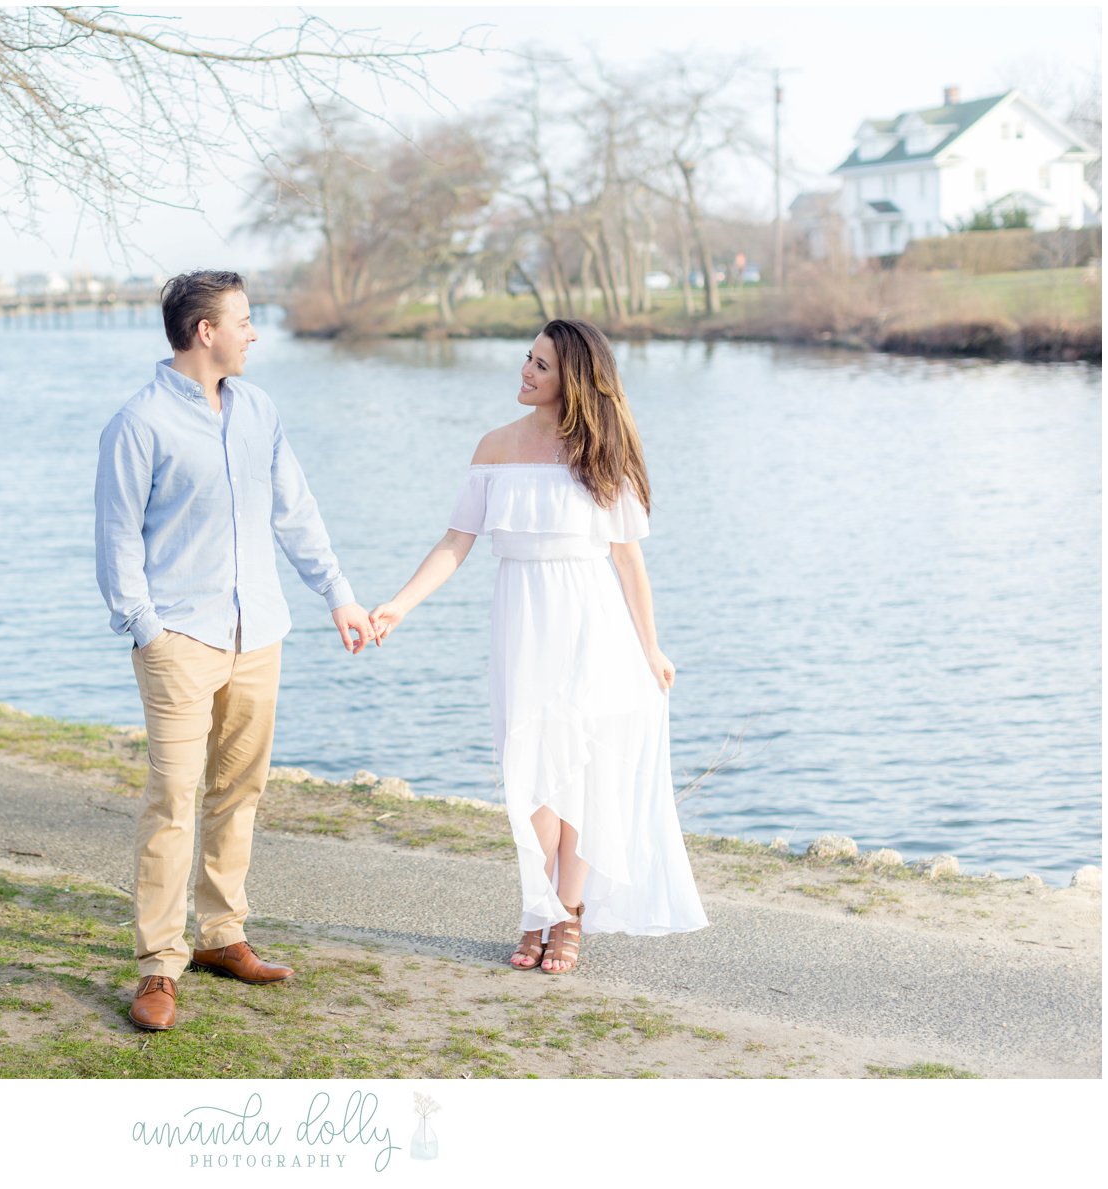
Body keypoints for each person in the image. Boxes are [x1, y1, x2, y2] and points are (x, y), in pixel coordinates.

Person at [369, 319, 708, 974]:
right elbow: (454, 542)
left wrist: (651, 648)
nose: (525, 370)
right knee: (528, 771)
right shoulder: (494, 447)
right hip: (520, 620)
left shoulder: (600, 456)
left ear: (572, 382)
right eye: (527, 358)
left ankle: (564, 913)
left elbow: (628, 562)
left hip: (592, 622)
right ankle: (539, 905)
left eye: (541, 365)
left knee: (580, 769)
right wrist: (398, 605)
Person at [95, 269, 376, 1030]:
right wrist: (146, 627)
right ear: (204, 332)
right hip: (180, 638)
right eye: (243, 321)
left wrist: (338, 594)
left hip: (260, 635)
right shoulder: (139, 422)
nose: (254, 332)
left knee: (239, 792)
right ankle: (159, 964)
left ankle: (222, 934)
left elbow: (296, 511)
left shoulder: (259, 410)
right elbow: (116, 539)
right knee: (171, 801)